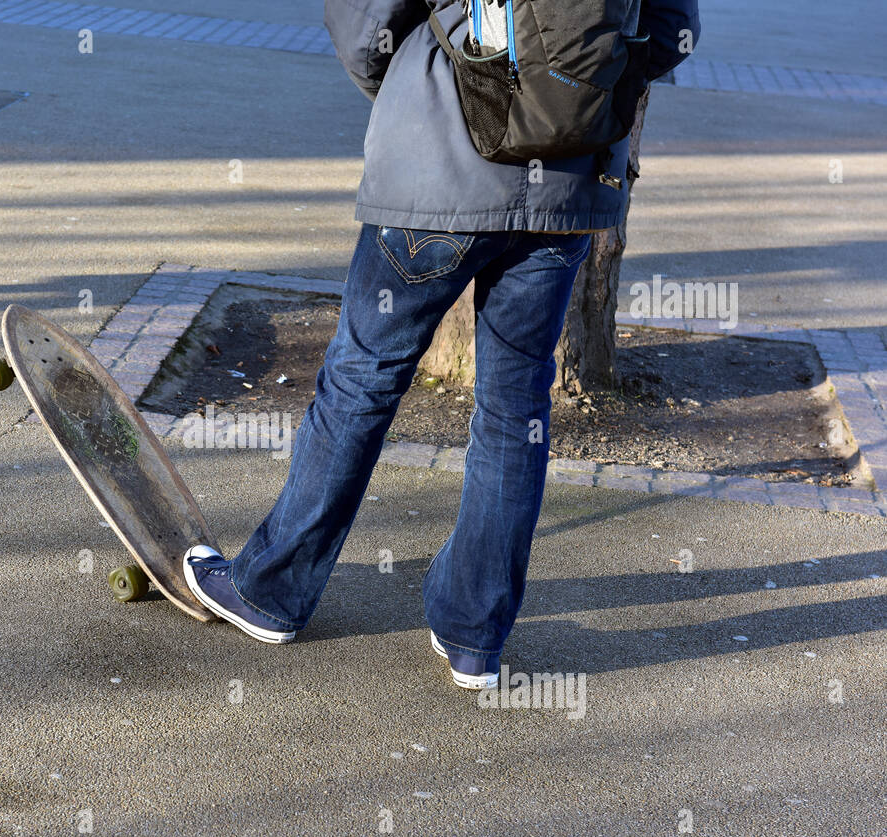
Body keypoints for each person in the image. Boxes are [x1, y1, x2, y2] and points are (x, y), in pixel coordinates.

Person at [183, 0, 701, 689]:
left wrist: (433, 81)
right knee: (515, 405)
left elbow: (367, 27)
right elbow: (669, 35)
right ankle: (474, 634)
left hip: (437, 171)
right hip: (568, 192)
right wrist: (573, 99)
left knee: (361, 378)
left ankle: (269, 591)